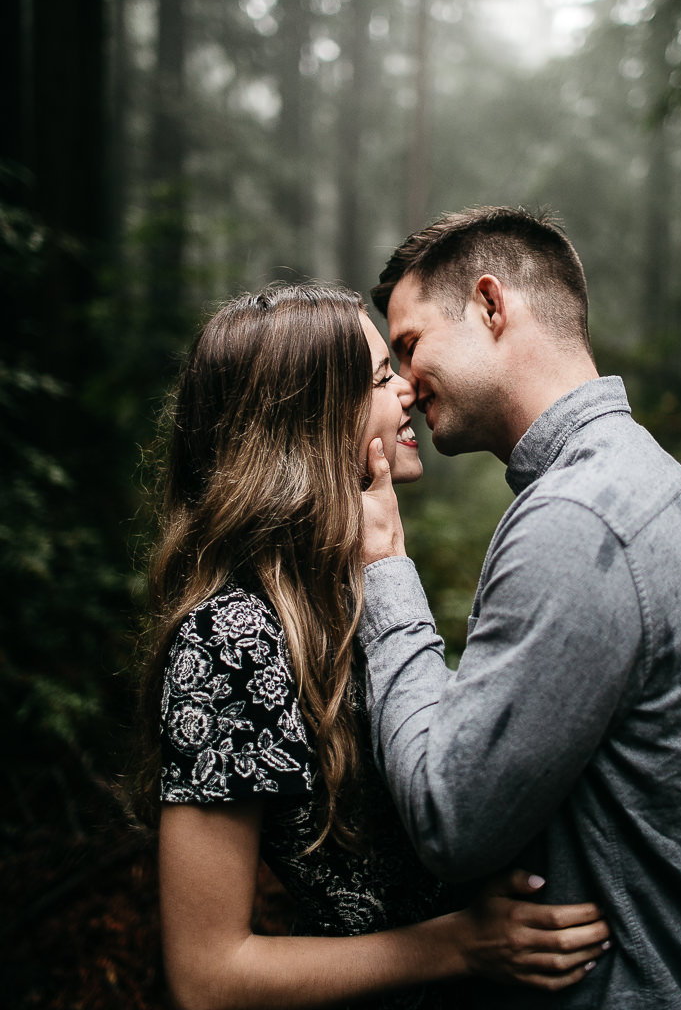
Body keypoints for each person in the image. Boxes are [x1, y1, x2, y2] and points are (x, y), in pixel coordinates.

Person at [134, 284, 611, 1010]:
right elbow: (207, 973)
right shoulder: (231, 637)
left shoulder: (353, 593)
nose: (410, 393)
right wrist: (460, 943)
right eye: (383, 377)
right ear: (313, 419)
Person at [358, 206, 681, 1009]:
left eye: (408, 346)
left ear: (490, 305)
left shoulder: (577, 519)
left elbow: (450, 817)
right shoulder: (669, 491)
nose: (401, 384)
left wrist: (386, 572)